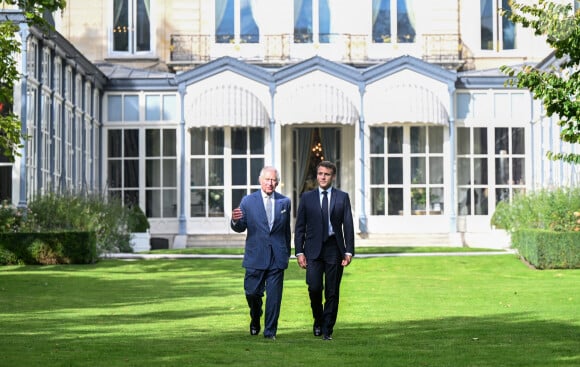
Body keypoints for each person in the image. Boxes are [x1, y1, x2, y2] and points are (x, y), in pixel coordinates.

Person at [294, 160, 355, 340]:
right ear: (317, 175)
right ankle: (318, 319)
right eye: (320, 173)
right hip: (312, 250)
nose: (323, 177)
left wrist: (349, 251)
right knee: (314, 288)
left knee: (332, 291)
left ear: (333, 177)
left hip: (334, 249)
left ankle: (327, 328)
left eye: (326, 174)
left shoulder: (342, 197)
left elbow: (348, 226)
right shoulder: (306, 198)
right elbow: (300, 227)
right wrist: (299, 252)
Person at [231, 166, 291, 340]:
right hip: (255, 256)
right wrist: (235, 221)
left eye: (273, 180)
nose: (270, 183)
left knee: (274, 298)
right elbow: (240, 226)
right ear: (260, 180)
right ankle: (255, 317)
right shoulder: (248, 201)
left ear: (277, 182)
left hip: (277, 258)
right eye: (267, 179)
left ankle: (270, 332)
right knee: (251, 292)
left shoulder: (284, 202)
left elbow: (286, 231)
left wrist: (286, 254)